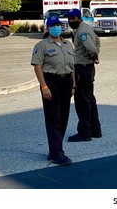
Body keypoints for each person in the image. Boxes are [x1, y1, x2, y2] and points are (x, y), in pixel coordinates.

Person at [31, 16, 75, 166]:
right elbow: (37, 66)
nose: (56, 27)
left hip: (66, 82)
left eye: (58, 25)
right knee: (53, 118)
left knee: (63, 118)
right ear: (48, 28)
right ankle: (57, 153)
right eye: (53, 25)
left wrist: (73, 85)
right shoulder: (42, 45)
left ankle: (54, 150)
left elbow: (72, 66)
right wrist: (44, 87)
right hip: (51, 83)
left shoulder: (67, 44)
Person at [66, 8, 102, 142]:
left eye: (73, 19)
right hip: (87, 67)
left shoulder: (82, 31)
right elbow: (97, 41)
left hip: (82, 68)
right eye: (69, 19)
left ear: (79, 18)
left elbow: (92, 47)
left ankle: (85, 132)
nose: (71, 21)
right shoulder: (86, 28)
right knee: (90, 99)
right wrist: (94, 55)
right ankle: (95, 129)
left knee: (82, 102)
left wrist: (95, 55)